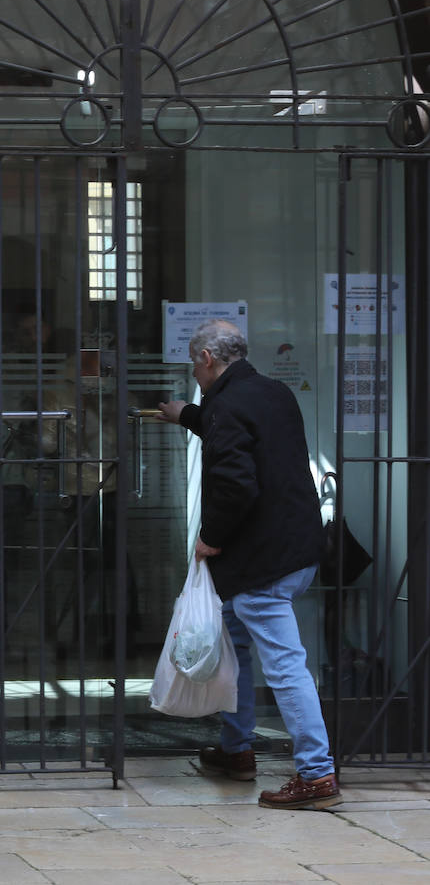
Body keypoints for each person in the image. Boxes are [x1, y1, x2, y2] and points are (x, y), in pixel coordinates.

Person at [156, 318, 338, 810]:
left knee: (284, 664)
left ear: (207, 360)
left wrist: (209, 540)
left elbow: (236, 483)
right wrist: (188, 415)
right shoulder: (272, 392)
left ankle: (317, 775)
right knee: (233, 642)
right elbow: (236, 428)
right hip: (295, 548)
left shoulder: (228, 405)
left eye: (194, 364)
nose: (195, 373)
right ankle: (237, 751)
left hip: (262, 561)